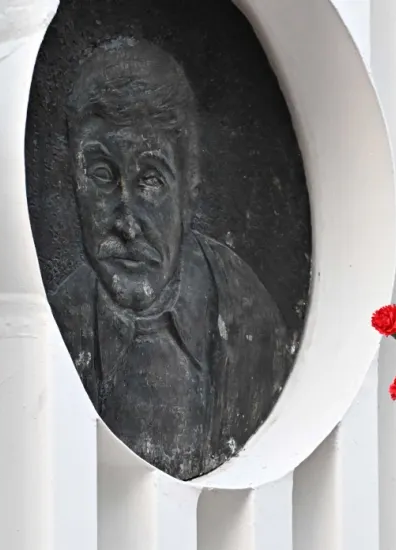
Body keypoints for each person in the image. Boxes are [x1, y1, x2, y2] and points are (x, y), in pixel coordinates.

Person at [48, 39, 289, 480]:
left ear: (189, 190)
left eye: (151, 180)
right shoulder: (56, 327)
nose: (127, 223)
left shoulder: (246, 318)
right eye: (101, 175)